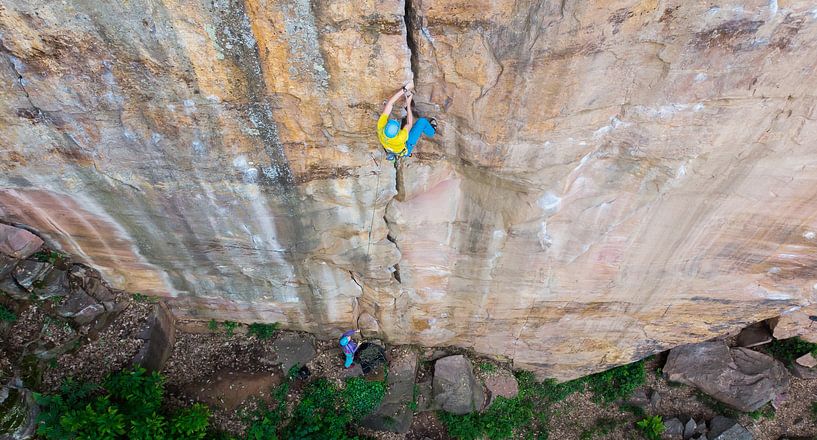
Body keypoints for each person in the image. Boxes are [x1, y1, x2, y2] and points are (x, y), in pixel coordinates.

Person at [377, 86, 437, 161]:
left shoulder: (380, 128)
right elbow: (409, 123)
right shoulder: (400, 138)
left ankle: (393, 154)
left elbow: (389, 104)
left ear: (385, 128)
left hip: (391, 146)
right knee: (422, 122)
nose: (395, 119)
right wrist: (408, 104)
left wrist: (404, 90)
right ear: (397, 132)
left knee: (395, 147)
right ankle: (432, 132)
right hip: (406, 146)